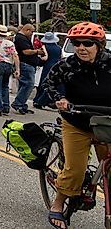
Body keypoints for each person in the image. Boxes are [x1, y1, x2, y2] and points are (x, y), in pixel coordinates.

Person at [40, 22, 111, 229]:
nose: (81, 48)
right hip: (76, 121)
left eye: (88, 43)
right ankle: (58, 204)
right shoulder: (67, 65)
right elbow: (49, 82)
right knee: (75, 170)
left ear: (100, 45)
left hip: (106, 122)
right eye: (76, 43)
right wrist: (59, 99)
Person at [11, 22, 40, 115]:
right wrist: (37, 51)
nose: (32, 34)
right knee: (29, 84)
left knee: (24, 84)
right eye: (31, 32)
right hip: (26, 64)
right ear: (27, 30)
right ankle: (18, 103)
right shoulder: (21, 39)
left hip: (27, 64)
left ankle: (22, 105)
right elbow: (26, 52)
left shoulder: (21, 38)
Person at [33, 32, 61, 110]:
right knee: (54, 83)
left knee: (44, 83)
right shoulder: (58, 47)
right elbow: (61, 57)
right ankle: (48, 101)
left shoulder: (44, 47)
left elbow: (45, 58)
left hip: (48, 66)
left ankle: (38, 100)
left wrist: (39, 58)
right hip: (57, 66)